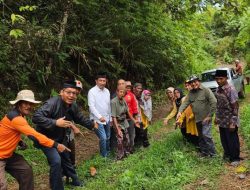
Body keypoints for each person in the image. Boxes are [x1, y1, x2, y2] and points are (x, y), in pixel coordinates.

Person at [32, 81, 97, 189]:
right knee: (56, 161)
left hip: (59, 138)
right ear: (61, 92)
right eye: (68, 92)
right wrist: (55, 122)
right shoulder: (52, 103)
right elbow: (36, 117)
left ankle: (75, 181)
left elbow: (79, 118)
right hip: (45, 139)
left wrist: (92, 125)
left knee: (66, 158)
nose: (71, 95)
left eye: (74, 93)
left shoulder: (72, 106)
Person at [0, 90, 68, 190]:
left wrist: (19, 141)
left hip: (8, 155)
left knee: (26, 171)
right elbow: (34, 135)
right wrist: (56, 145)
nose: (29, 106)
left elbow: (6, 133)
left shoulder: (18, 116)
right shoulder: (16, 118)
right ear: (19, 103)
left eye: (30, 103)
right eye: (25, 103)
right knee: (2, 186)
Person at [177, 75, 217, 157]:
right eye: (191, 83)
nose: (194, 84)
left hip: (206, 118)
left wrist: (210, 116)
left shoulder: (206, 90)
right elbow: (185, 103)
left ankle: (213, 154)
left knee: (206, 135)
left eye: (195, 81)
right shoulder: (190, 93)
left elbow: (214, 103)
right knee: (201, 136)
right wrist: (179, 111)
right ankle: (205, 152)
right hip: (197, 119)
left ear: (199, 81)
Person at [214, 69, 241, 166]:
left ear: (226, 78)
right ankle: (228, 154)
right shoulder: (218, 89)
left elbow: (235, 107)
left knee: (232, 139)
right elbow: (218, 104)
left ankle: (235, 158)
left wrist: (233, 122)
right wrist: (216, 117)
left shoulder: (231, 89)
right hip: (222, 119)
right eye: (217, 79)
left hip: (230, 119)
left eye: (221, 79)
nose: (218, 81)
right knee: (224, 138)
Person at [111, 87, 139, 160]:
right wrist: (118, 129)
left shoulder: (123, 100)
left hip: (124, 121)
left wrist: (134, 120)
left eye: (123, 92)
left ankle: (126, 154)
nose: (122, 94)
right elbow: (113, 117)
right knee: (120, 140)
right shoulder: (113, 102)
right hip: (117, 122)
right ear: (117, 92)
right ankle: (119, 157)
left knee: (126, 139)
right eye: (120, 92)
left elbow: (128, 112)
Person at [88, 72, 111, 157]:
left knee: (108, 137)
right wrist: (99, 117)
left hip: (107, 118)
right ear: (96, 81)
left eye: (104, 81)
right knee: (103, 138)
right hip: (97, 119)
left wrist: (110, 118)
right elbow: (91, 106)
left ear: (106, 81)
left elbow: (109, 106)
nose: (102, 82)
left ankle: (108, 152)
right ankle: (103, 156)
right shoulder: (92, 92)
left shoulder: (107, 91)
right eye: (100, 80)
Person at [133, 83, 150, 147]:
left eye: (140, 88)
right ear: (134, 89)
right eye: (138, 88)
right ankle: (137, 145)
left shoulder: (141, 97)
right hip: (134, 118)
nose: (140, 90)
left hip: (142, 117)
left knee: (143, 131)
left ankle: (145, 144)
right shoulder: (132, 97)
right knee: (138, 132)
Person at [124, 81, 138, 152]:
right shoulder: (120, 94)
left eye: (129, 87)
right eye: (127, 87)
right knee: (125, 135)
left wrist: (135, 117)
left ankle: (131, 148)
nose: (128, 89)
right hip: (122, 119)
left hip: (130, 118)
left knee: (131, 134)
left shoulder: (131, 95)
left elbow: (134, 106)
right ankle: (125, 149)